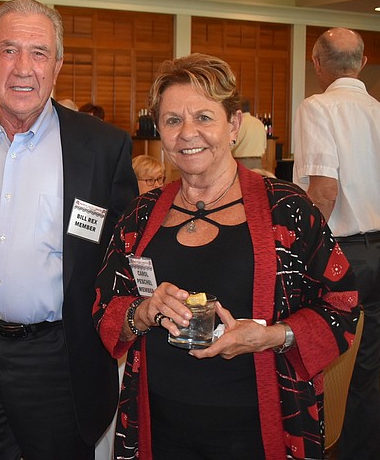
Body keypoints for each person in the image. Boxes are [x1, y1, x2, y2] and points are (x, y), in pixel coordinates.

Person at [93, 53, 359, 459]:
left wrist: (271, 336)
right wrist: (143, 312)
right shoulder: (140, 215)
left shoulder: (286, 209)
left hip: (260, 425)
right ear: (159, 131)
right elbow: (104, 308)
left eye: (203, 117)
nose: (187, 134)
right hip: (158, 428)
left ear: (233, 125)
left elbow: (342, 303)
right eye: (172, 120)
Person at [0, 0, 138, 459]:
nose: (23, 67)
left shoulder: (103, 147)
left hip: (59, 360)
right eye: (8, 50)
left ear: (58, 65)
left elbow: (123, 255)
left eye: (39, 52)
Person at [293, 27, 380, 460]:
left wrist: (304, 249)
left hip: (343, 251)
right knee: (368, 366)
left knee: (321, 355)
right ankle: (360, 451)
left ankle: (321, 447)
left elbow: (324, 190)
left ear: (317, 63)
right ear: (362, 63)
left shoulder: (318, 106)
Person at [231, 97, 266, 169]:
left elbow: (233, 143)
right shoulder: (259, 123)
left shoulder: (238, 122)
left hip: (241, 162)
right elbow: (264, 145)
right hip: (257, 162)